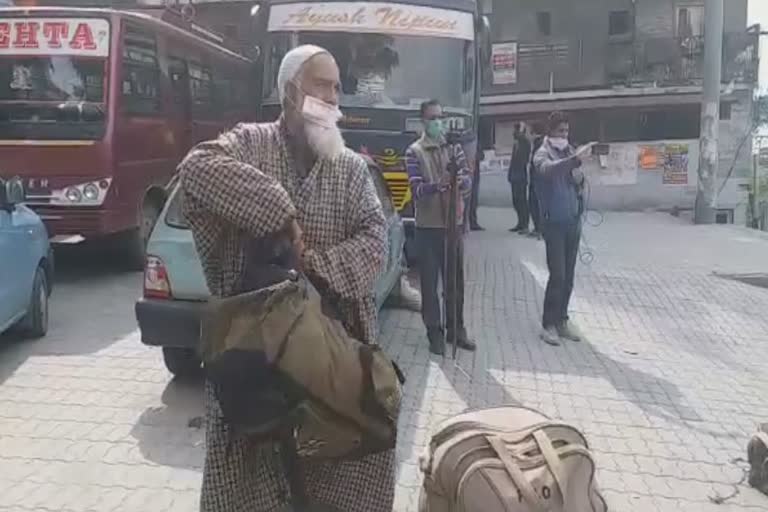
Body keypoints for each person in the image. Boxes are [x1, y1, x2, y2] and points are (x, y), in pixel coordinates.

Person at [179, 44, 394, 512]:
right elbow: (195, 169)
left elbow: (377, 242)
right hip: (255, 364)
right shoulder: (249, 144)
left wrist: (312, 268)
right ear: (292, 91)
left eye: (338, 87)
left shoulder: (352, 169)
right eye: (324, 84)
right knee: (251, 489)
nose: (335, 96)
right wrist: (278, 211)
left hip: (331, 363)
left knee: (346, 478)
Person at [406, 99, 476, 356]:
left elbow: (468, 182)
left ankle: (456, 330)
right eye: (432, 118)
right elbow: (417, 190)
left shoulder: (453, 148)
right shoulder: (414, 152)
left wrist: (461, 182)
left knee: (454, 283)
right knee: (429, 285)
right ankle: (433, 333)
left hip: (452, 227)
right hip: (427, 229)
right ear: (423, 122)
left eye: (440, 117)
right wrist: (441, 185)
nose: (438, 122)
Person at [532, 111, 595, 346]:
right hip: (553, 224)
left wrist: (578, 174)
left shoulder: (571, 151)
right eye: (560, 131)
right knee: (557, 275)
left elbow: (578, 178)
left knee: (568, 277)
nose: (564, 135)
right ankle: (548, 324)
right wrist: (573, 161)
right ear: (550, 132)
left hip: (572, 221)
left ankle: (562, 320)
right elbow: (548, 170)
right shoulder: (541, 153)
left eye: (567, 131)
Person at [508, 122, 531, 234]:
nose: (514, 133)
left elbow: (523, 159)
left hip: (521, 176)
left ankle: (525, 224)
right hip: (514, 175)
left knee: (521, 201)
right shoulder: (516, 143)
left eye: (516, 130)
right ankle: (520, 223)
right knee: (515, 201)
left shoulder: (525, 143)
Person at [528, 125, 545, 239]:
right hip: (535, 179)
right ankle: (538, 228)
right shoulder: (537, 143)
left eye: (531, 132)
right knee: (533, 204)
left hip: (538, 180)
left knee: (537, 205)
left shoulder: (540, 144)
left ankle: (540, 229)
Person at [468, 147, 484, 231]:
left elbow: (481, 156)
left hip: (474, 173)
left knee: (473, 199)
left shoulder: (476, 144)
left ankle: (472, 221)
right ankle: (469, 222)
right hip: (469, 173)